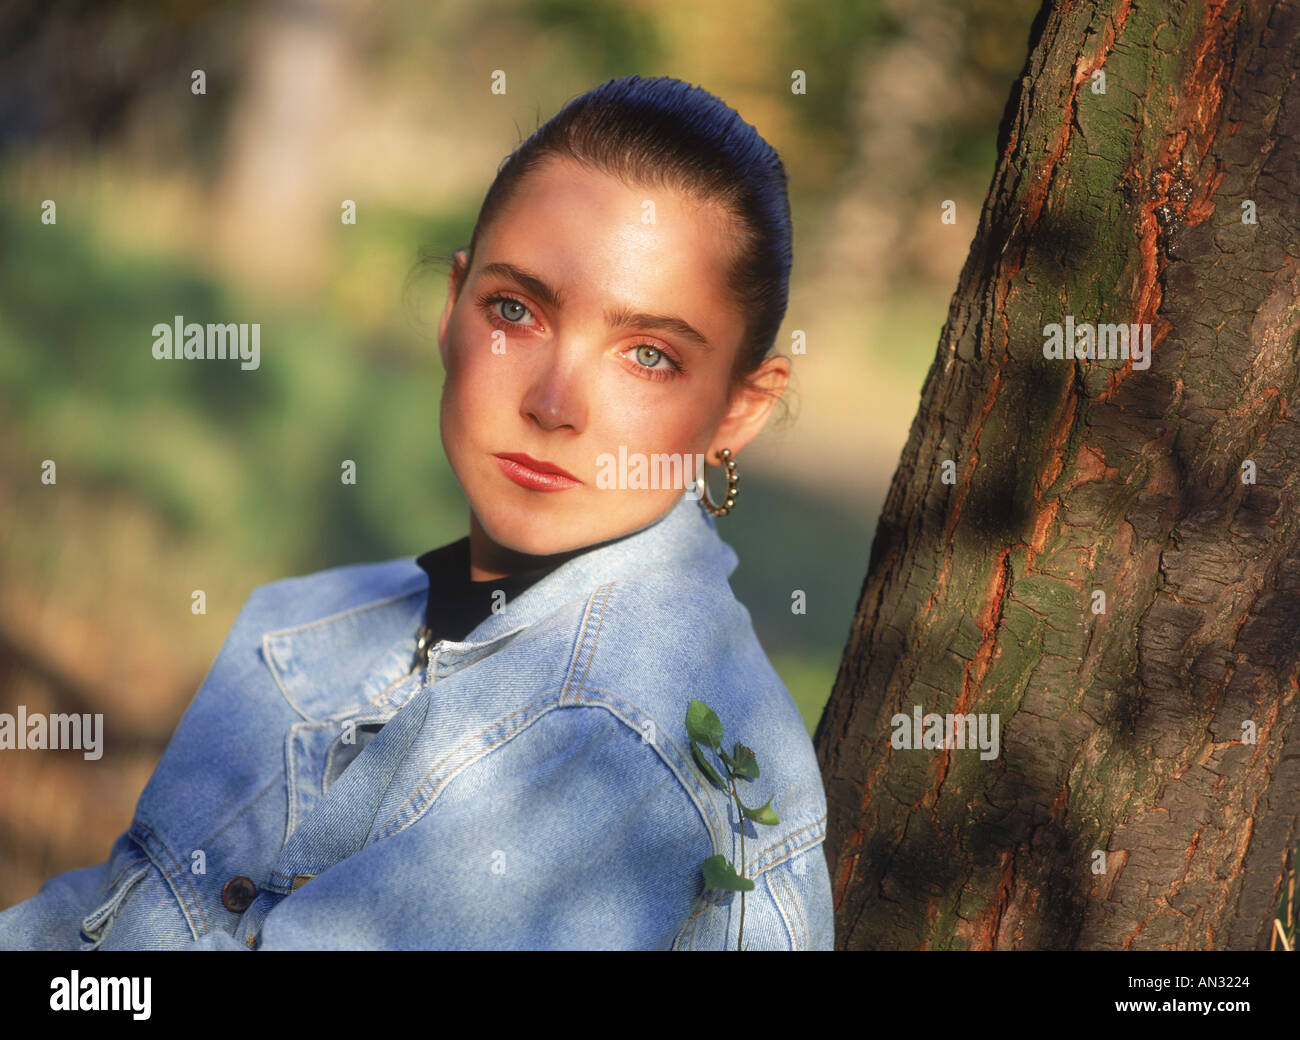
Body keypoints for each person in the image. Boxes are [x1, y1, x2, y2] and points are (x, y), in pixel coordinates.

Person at [0, 74, 834, 950]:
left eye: (649, 355)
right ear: (454, 307)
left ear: (740, 409)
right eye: (517, 310)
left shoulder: (613, 748)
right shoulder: (319, 620)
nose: (555, 402)